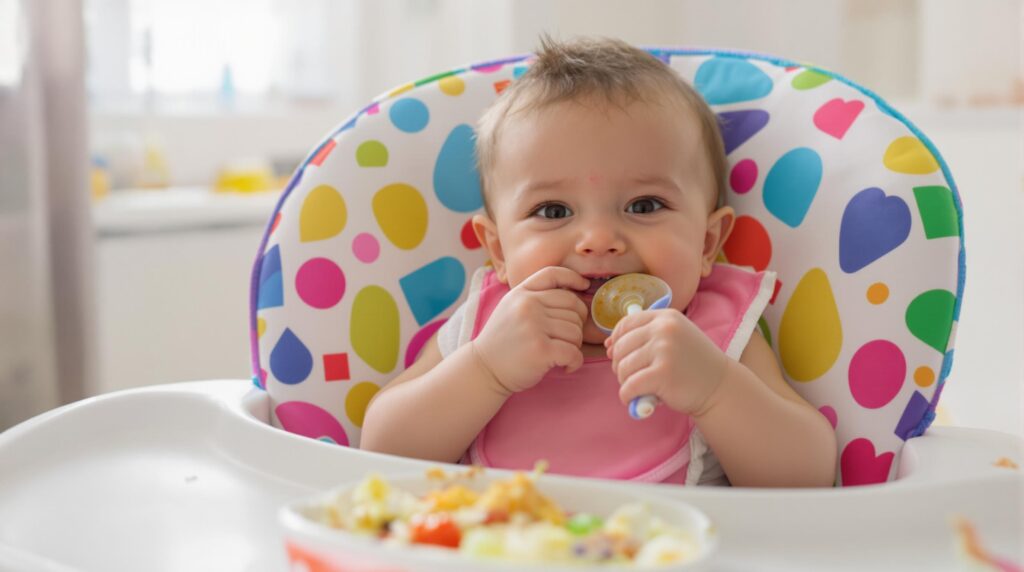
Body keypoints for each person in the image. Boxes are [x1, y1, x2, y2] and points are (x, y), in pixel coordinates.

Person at [361, 36, 836, 487]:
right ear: (500, 251)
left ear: (707, 243)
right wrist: (485, 369)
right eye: (553, 211)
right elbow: (378, 452)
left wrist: (715, 389)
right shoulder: (486, 329)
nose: (598, 240)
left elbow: (810, 475)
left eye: (644, 206)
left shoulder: (715, 333)